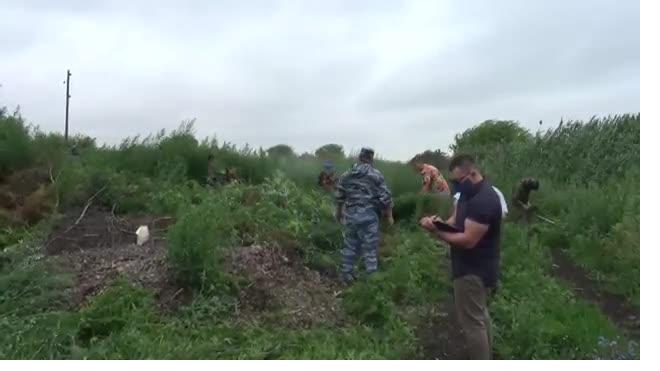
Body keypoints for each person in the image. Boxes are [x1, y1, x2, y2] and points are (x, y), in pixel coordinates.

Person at [419, 154, 502, 360]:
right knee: (479, 317)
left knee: (473, 324)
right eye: (453, 181)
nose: (455, 185)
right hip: (469, 265)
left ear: (472, 173)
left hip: (474, 270)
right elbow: (456, 220)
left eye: (458, 180)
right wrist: (439, 222)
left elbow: (468, 239)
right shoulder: (468, 194)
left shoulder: (484, 200)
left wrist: (436, 232)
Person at [335, 148, 394, 284]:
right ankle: (371, 279)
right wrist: (389, 216)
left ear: (359, 158)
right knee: (370, 248)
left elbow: (340, 196)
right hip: (369, 216)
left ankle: (346, 275)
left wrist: (339, 214)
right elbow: (386, 197)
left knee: (350, 245)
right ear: (371, 159)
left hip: (351, 215)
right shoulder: (376, 174)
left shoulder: (347, 174)